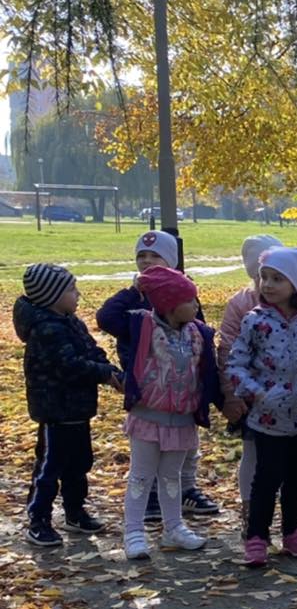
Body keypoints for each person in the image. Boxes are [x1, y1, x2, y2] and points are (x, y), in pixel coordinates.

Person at [97, 230, 221, 521]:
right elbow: (106, 318)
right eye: (142, 255)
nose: (147, 261)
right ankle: (150, 497)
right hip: (149, 389)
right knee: (149, 444)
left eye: (155, 256)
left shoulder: (184, 296)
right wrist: (134, 291)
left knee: (185, 446)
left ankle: (186, 490)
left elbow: (200, 337)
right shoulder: (136, 304)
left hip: (183, 388)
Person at [226, 247, 297, 567]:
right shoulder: (255, 321)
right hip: (268, 416)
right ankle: (257, 537)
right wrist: (258, 393)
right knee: (266, 477)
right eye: (265, 278)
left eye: (277, 279)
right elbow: (236, 364)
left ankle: (293, 531)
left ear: (295, 284)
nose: (268, 285)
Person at [117, 267, 222, 560]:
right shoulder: (143, 326)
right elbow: (106, 317)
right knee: (141, 476)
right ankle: (133, 532)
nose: (196, 305)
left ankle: (173, 528)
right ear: (170, 305)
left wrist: (226, 405)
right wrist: (136, 289)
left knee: (172, 477)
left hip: (182, 420)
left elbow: (210, 375)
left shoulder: (199, 333)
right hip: (148, 417)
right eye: (190, 300)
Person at [15, 263, 123, 546]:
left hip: (77, 410)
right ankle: (38, 520)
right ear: (52, 296)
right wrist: (104, 374)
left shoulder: (70, 321)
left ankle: (75, 511)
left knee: (79, 464)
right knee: (50, 467)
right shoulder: (46, 330)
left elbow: (91, 350)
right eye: (71, 289)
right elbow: (69, 366)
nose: (78, 294)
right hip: (56, 412)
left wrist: (110, 369)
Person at [219, 234, 283, 528]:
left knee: (287, 456)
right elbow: (227, 349)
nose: (268, 284)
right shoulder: (241, 303)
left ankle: (286, 514)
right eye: (262, 276)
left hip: (288, 395)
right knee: (253, 453)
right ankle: (251, 512)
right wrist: (231, 394)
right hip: (251, 395)